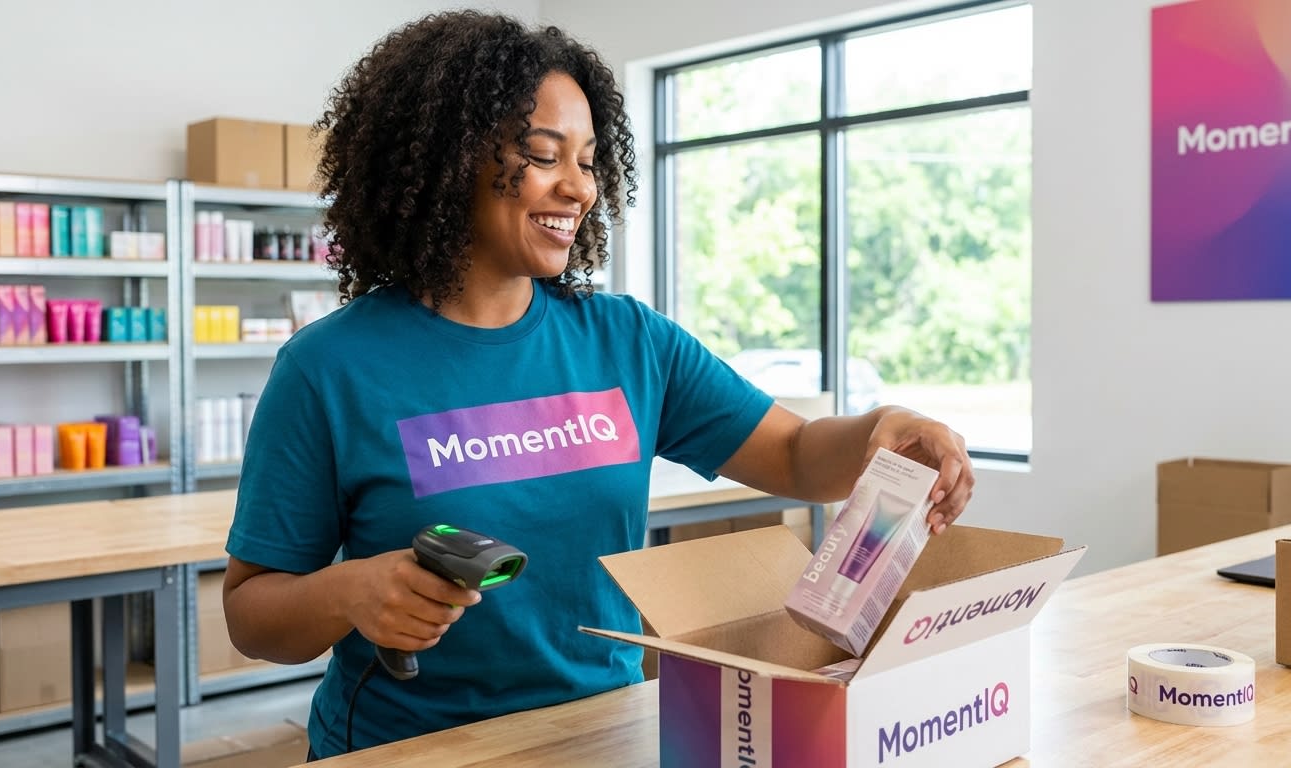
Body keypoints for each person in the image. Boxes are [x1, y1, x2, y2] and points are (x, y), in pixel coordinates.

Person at [222, 9, 976, 761]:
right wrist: (349, 592)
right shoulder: (330, 367)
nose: (577, 188)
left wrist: (882, 427)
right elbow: (251, 614)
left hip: (600, 737)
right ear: (452, 158)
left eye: (588, 161)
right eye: (545, 155)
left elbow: (798, 457)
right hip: (410, 749)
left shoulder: (628, 341)